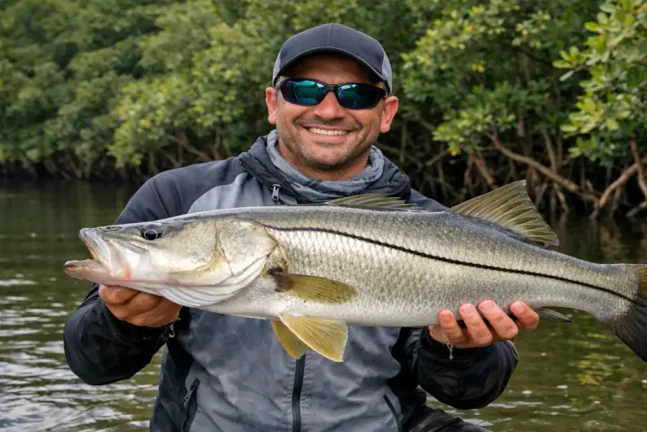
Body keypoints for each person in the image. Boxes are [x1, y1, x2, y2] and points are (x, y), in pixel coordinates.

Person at [63, 23, 541, 432]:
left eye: (357, 95)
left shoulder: (435, 225)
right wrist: (125, 324)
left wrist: (458, 349)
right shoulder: (180, 197)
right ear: (273, 103)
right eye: (305, 90)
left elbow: (472, 393)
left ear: (387, 113)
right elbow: (92, 366)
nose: (329, 110)